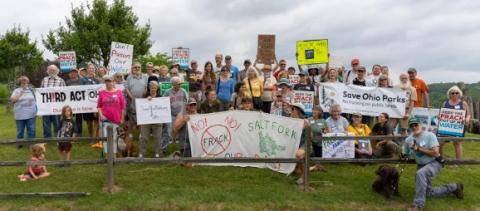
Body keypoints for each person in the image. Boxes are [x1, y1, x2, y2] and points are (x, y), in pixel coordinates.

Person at [403, 117, 463, 211]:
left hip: (435, 162)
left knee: (420, 174)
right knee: (428, 192)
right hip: (421, 165)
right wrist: (404, 155)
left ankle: (418, 205)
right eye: (412, 126)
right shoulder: (408, 140)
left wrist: (418, 148)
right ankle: (454, 187)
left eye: (416, 124)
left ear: (421, 125)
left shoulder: (430, 135)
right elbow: (405, 153)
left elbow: (435, 152)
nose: (414, 127)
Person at [439, 86, 471, 160]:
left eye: (456, 93)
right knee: (440, 143)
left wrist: (467, 119)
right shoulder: (445, 103)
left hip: (459, 127)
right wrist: (439, 116)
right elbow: (441, 114)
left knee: (457, 143)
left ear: (459, 94)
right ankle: (440, 160)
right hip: (446, 127)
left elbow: (468, 114)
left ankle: (458, 162)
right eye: (452, 93)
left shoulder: (463, 103)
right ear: (449, 94)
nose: (454, 94)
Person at [97, 75, 126, 157]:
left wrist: (122, 118)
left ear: (114, 82)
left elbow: (123, 107)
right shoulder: (102, 93)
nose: (108, 83)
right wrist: (101, 115)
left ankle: (113, 155)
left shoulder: (119, 92)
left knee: (114, 138)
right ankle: (107, 156)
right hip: (105, 120)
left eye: (110, 81)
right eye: (106, 81)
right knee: (106, 138)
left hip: (116, 120)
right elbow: (99, 106)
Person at [162, 77, 188, 153]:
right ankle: (163, 148)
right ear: (173, 84)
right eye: (178, 84)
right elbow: (162, 102)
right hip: (170, 114)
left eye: (180, 84)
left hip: (180, 114)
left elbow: (187, 101)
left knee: (183, 131)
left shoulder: (183, 91)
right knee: (168, 131)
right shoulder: (167, 92)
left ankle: (184, 148)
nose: (180, 85)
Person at [10, 76, 37, 148]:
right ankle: (19, 143)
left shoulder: (32, 90)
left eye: (25, 80)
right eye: (22, 80)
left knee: (31, 130)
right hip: (19, 115)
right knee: (20, 131)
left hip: (31, 114)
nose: (24, 82)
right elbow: (13, 100)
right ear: (20, 82)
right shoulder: (16, 90)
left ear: (28, 81)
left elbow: (38, 100)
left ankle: (31, 144)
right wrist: (20, 94)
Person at [139, 81, 163, 158]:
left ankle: (158, 153)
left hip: (157, 120)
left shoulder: (160, 97)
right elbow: (141, 106)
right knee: (144, 137)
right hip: (146, 120)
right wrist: (146, 100)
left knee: (158, 137)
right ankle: (142, 153)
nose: (153, 89)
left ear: (157, 88)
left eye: (155, 88)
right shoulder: (144, 96)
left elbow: (163, 108)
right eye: (152, 88)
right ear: (149, 88)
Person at [40, 65, 65, 138]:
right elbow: (41, 93)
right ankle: (47, 138)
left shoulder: (61, 80)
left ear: (57, 71)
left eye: (54, 70)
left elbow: (64, 93)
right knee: (46, 123)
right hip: (46, 106)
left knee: (57, 123)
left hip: (57, 106)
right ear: (48, 71)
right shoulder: (44, 80)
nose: (52, 71)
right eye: (50, 70)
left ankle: (57, 138)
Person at [125, 62, 148, 135]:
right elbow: (127, 88)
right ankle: (130, 134)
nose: (137, 68)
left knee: (142, 117)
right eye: (135, 67)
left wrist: (145, 93)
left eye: (139, 67)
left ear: (141, 68)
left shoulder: (145, 76)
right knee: (131, 117)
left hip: (142, 100)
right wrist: (131, 97)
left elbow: (146, 87)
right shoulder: (129, 77)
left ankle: (141, 134)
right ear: (132, 68)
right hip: (132, 100)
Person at [291, 103, 310, 185]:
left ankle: (304, 176)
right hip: (294, 144)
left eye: (293, 109)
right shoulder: (290, 121)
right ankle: (299, 169)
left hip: (305, 144)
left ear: (298, 111)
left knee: (299, 155)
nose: (291, 111)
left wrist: (307, 127)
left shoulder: (305, 121)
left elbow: (310, 137)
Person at [80, 63, 101, 140]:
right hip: (87, 103)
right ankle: (91, 136)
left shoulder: (97, 80)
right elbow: (82, 89)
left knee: (96, 121)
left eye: (93, 68)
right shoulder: (82, 80)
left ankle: (96, 137)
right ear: (87, 70)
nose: (91, 70)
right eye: (90, 68)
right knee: (89, 122)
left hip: (96, 104)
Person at [66, 69, 83, 136]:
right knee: (69, 119)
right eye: (72, 72)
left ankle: (79, 133)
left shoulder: (81, 81)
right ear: (69, 74)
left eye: (75, 72)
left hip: (79, 104)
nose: (73, 74)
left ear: (77, 73)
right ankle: (70, 133)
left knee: (79, 120)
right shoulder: (67, 82)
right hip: (70, 104)